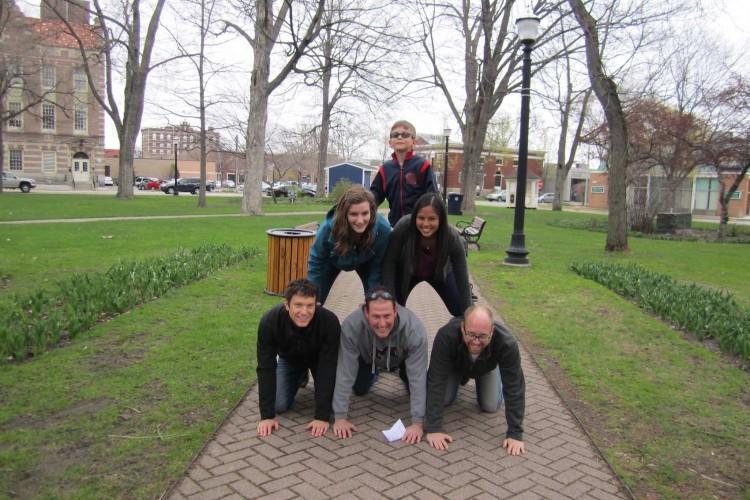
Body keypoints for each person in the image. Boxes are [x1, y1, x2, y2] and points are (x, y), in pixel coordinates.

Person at [332, 286, 428, 444]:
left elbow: (418, 378)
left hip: (402, 359)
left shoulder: (414, 330)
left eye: (387, 316)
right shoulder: (351, 326)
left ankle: (395, 370)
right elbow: (344, 372)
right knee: (359, 389)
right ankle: (376, 371)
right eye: (376, 316)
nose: (382, 323)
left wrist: (417, 423)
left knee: (414, 387)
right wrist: (340, 418)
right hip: (368, 359)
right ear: (366, 313)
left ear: (396, 311)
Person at [424, 305, 526, 454]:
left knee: (489, 406)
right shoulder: (446, 335)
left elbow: (514, 386)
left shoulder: (507, 342)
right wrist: (434, 428)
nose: (477, 342)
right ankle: (463, 375)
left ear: (492, 331)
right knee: (444, 399)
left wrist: (515, 433)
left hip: (487, 367)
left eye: (483, 336)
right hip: (456, 366)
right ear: (462, 327)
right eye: (471, 334)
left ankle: (489, 377)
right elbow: (436, 380)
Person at [256, 279, 341, 438]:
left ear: (317, 304)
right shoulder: (270, 321)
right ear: (287, 305)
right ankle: (298, 376)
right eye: (298, 305)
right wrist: (266, 416)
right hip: (289, 360)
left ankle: (304, 376)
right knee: (279, 405)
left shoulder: (329, 322)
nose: (304, 312)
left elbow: (328, 368)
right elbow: (265, 367)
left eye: (310, 305)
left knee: (334, 408)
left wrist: (321, 417)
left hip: (319, 360)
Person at [383, 192, 472, 317]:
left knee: (460, 308)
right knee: (395, 307)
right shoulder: (405, 226)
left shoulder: (451, 236)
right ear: (415, 217)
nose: (425, 224)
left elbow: (461, 274)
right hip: (409, 271)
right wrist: (389, 297)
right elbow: (389, 262)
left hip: (438, 273)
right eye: (421, 218)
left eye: (432, 219)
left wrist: (469, 312)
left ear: (441, 219)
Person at [307, 185, 391, 305]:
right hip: (333, 260)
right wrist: (312, 294)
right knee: (313, 300)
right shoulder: (329, 228)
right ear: (344, 214)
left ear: (372, 212)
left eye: (365, 213)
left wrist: (372, 298)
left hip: (366, 261)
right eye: (354, 214)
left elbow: (377, 268)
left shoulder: (383, 230)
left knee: (374, 301)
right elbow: (316, 261)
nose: (360, 220)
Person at [370, 120, 438, 227]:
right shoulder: (385, 169)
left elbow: (433, 197)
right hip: (395, 226)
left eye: (405, 134)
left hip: (419, 226)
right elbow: (374, 197)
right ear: (390, 142)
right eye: (395, 135)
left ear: (414, 142)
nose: (400, 137)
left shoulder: (422, 166)